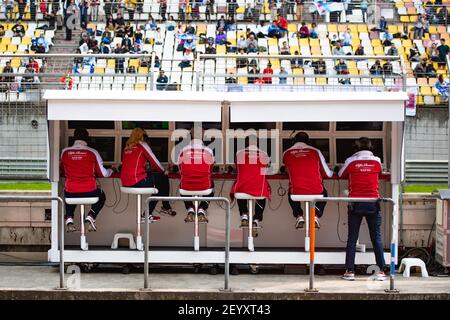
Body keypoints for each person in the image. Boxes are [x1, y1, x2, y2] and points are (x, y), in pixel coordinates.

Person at [338, 137, 387, 281]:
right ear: (371, 147)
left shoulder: (350, 161)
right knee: (376, 238)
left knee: (352, 238)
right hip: (373, 203)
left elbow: (340, 174)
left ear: (355, 148)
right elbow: (381, 173)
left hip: (355, 203)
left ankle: (350, 271)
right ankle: (381, 271)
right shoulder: (377, 161)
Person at [61, 128, 113, 232]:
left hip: (71, 192)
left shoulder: (64, 152)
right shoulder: (92, 152)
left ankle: (69, 217)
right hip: (90, 192)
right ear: (87, 138)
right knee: (102, 196)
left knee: (69, 191)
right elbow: (103, 173)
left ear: (74, 137)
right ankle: (91, 215)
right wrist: (111, 170)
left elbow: (61, 170)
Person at [121, 128, 176, 221]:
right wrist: (163, 171)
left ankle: (153, 211)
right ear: (143, 136)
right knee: (162, 179)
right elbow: (155, 162)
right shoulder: (142, 145)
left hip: (125, 182)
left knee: (158, 181)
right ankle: (162, 208)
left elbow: (131, 166)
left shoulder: (127, 148)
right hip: (137, 181)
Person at [283, 132, 333, 229]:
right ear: (308, 141)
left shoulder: (286, 152)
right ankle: (316, 216)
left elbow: (285, 168)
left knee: (291, 192)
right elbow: (328, 174)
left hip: (296, 193)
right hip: (316, 191)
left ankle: (299, 216)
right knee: (324, 193)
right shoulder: (315, 151)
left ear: (294, 141)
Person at [230, 134, 271, 237]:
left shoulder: (239, 153)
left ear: (246, 143)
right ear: (257, 143)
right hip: (258, 189)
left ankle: (244, 215)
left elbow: (237, 168)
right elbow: (267, 169)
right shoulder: (264, 154)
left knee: (240, 188)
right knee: (262, 192)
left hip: (242, 188)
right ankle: (256, 220)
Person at [177, 129, 215, 223]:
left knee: (182, 185)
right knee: (212, 188)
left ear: (191, 136)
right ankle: (202, 209)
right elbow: (210, 169)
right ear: (202, 136)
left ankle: (190, 209)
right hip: (204, 186)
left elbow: (180, 169)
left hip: (186, 187)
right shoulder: (209, 150)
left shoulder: (182, 150)